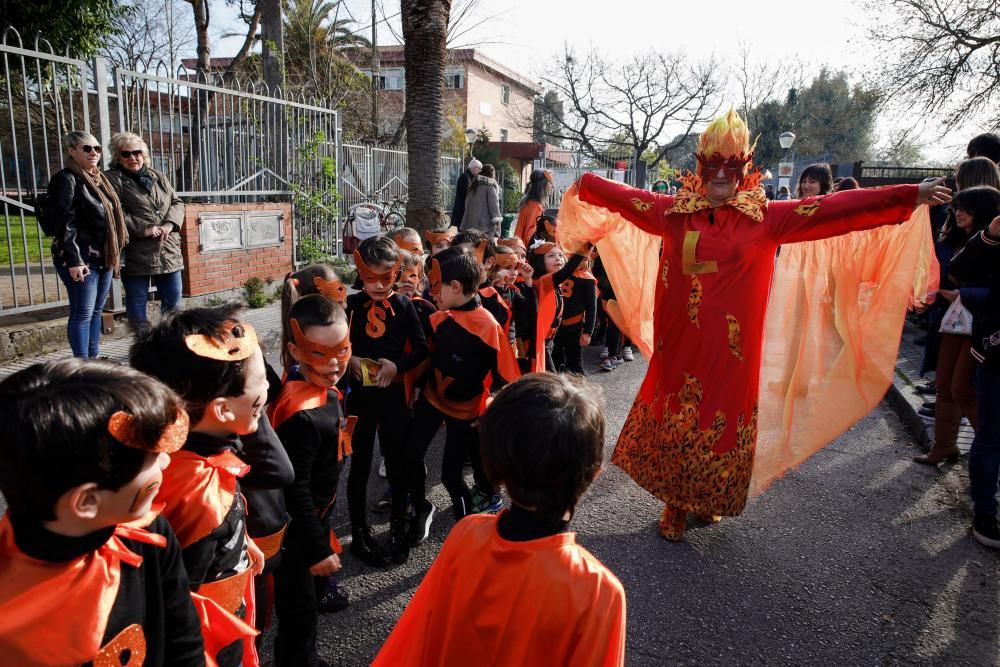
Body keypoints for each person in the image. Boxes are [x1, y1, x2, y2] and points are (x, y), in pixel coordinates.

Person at [558, 108, 951, 540]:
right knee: (683, 416)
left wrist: (908, 194)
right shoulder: (671, 212)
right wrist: (588, 183)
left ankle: (709, 496)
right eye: (713, 166)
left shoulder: (767, 218)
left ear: (745, 169)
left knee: (723, 419)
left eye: (731, 167)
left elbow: (831, 209)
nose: (721, 175)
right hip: (681, 345)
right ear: (700, 167)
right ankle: (676, 502)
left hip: (733, 352)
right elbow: (626, 196)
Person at [374, 373, 626, 667]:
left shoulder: (466, 535)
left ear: (492, 461)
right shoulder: (598, 591)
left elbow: (420, 634)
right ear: (595, 471)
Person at [0, 358, 205, 666]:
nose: (166, 462)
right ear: (87, 502)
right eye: (152, 458)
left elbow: (184, 642)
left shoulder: (150, 535)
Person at [130, 305, 268, 666]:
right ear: (222, 411)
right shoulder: (200, 493)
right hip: (210, 637)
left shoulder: (191, 456)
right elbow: (179, 596)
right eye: (262, 380)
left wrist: (243, 543)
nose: (269, 387)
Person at [404, 247, 520, 545]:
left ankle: (469, 537)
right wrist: (415, 386)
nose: (430, 292)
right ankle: (420, 507)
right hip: (431, 401)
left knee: (451, 477)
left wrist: (490, 412)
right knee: (410, 454)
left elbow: (508, 379)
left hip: (464, 414)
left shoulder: (488, 328)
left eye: (434, 286)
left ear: (455, 287)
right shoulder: (440, 318)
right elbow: (429, 357)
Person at [266, 294, 354, 666]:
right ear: (296, 351)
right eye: (320, 353)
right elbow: (294, 488)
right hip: (297, 530)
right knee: (299, 613)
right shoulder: (301, 415)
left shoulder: (318, 387)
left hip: (318, 514)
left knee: (309, 597)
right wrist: (316, 545)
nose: (334, 364)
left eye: (343, 349)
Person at [345, 238, 429, 565]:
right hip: (361, 398)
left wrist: (399, 366)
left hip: (392, 393)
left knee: (396, 462)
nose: (379, 286)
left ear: (396, 274)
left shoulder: (406, 306)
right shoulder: (350, 307)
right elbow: (339, 341)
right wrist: (349, 359)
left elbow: (422, 348)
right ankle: (359, 531)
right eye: (371, 278)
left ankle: (398, 525)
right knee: (360, 464)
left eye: (386, 278)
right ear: (359, 273)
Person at [913, 187, 1000, 465]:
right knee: (944, 384)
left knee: (962, 387)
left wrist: (964, 294)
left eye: (967, 208)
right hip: (953, 318)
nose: (959, 212)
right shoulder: (955, 238)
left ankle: (991, 450)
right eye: (958, 207)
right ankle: (944, 446)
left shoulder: (990, 245)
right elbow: (943, 270)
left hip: (983, 324)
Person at [48, 131, 128, 358]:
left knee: (96, 312)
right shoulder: (67, 179)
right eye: (87, 148)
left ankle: (93, 360)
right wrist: (74, 260)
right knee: (82, 313)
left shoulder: (99, 179)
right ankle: (81, 365)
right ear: (71, 151)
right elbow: (64, 223)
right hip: (80, 259)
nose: (94, 153)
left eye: (97, 148)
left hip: (102, 256)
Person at [949, 208, 1000, 546]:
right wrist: (992, 235)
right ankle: (985, 510)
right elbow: (961, 270)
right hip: (997, 350)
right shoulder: (993, 233)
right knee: (991, 435)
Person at [105, 132, 185, 333]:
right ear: (117, 157)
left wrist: (169, 225)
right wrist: (144, 229)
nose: (133, 158)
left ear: (144, 154)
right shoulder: (113, 179)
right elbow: (115, 212)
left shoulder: (157, 176)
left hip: (168, 249)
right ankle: (143, 345)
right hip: (136, 252)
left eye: (137, 153)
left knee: (173, 302)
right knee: (137, 303)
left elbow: (177, 202)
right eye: (126, 154)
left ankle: (171, 342)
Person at [525, 239, 589, 373]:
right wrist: (587, 245)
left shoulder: (553, 283)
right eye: (551, 255)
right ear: (539, 260)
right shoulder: (544, 281)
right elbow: (566, 272)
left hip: (549, 342)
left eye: (560, 255)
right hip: (539, 344)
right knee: (548, 384)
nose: (558, 259)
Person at [551, 246, 597, 375]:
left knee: (575, 363)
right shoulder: (560, 274)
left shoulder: (588, 279)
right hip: (557, 326)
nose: (579, 262)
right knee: (556, 360)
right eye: (575, 258)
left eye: (583, 260)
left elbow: (591, 307)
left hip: (574, 326)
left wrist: (588, 332)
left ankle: (582, 391)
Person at [513, 169, 553, 247]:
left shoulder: (528, 202)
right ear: (543, 184)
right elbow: (531, 233)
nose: (551, 186)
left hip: (519, 244)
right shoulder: (536, 206)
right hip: (527, 248)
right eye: (550, 183)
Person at [462, 163, 502, 236]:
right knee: (484, 246)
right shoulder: (490, 186)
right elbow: (494, 207)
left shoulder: (473, 185)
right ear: (492, 174)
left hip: (469, 224)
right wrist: (497, 223)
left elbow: (467, 204)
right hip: (484, 227)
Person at [451, 158, 482, 230]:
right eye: (480, 169)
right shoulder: (465, 177)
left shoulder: (468, 177)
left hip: (463, 212)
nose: (480, 171)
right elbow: (468, 195)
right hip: (461, 213)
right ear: (474, 168)